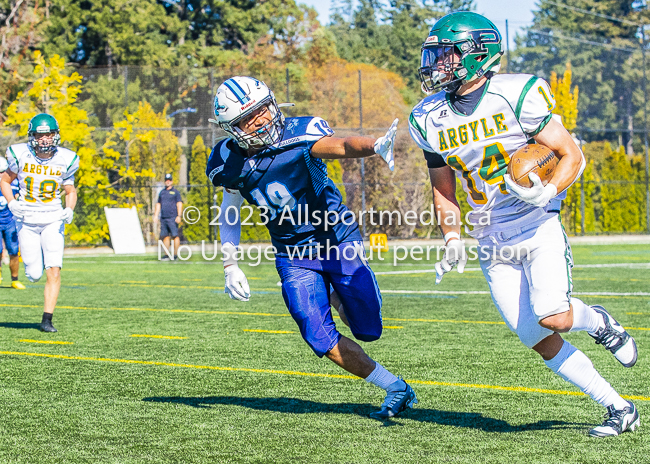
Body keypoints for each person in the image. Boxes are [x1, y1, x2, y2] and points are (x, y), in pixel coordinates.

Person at [409, 12, 638, 438]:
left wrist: (547, 192)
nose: (436, 64)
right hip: (489, 236)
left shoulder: (517, 94)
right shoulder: (427, 118)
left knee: (554, 315)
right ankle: (618, 406)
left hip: (535, 223)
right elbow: (443, 188)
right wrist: (452, 238)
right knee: (536, 336)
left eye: (446, 54)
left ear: (477, 54)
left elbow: (572, 154)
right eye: (434, 55)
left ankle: (599, 322)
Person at [206, 76, 416, 419]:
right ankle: (395, 386)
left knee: (368, 329)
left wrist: (375, 145)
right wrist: (230, 264)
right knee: (318, 335)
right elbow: (230, 214)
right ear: (232, 128)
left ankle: (337, 295)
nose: (261, 120)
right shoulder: (226, 161)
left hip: (336, 239)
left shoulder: (300, 133)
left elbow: (342, 146)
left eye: (263, 110)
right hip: (292, 254)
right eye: (249, 118)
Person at [0, 113, 78, 332]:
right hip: (27, 219)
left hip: (53, 218)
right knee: (34, 274)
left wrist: (69, 209)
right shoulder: (20, 154)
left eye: (49, 134)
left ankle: (47, 319)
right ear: (32, 135)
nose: (44, 139)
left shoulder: (66, 158)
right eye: (40, 134)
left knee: (54, 270)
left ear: (55, 135)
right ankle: (38, 255)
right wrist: (12, 202)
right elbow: (5, 181)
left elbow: (70, 190)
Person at [0, 157, 25, 289]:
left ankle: (14, 279)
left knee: (14, 251)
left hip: (10, 221)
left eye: (2, 172)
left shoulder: (13, 183)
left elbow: (17, 197)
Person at [154, 173, 182, 260]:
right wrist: (156, 215)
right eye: (166, 180)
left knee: (175, 236)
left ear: (172, 181)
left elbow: (179, 204)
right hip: (163, 218)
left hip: (173, 217)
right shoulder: (162, 192)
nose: (168, 181)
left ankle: (175, 255)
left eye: (169, 180)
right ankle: (166, 255)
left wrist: (179, 215)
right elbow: (158, 204)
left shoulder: (176, 192)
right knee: (165, 236)